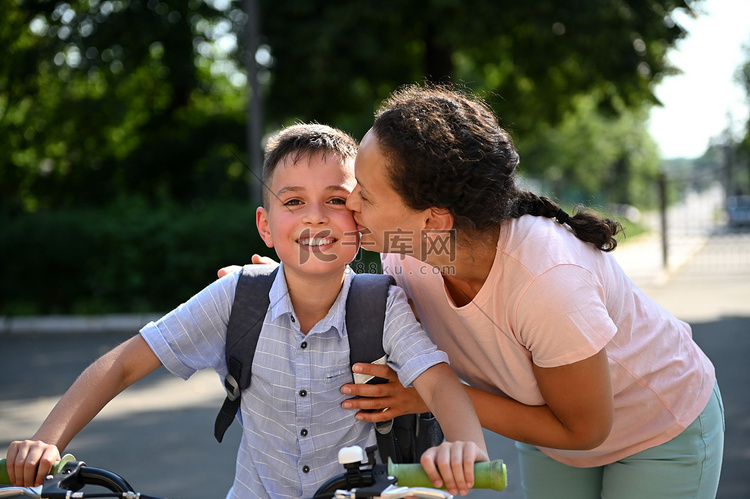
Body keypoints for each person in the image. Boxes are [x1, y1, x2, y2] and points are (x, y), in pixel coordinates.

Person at [234, 85, 724, 499]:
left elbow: (585, 428)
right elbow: (337, 262)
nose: (351, 204)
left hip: (657, 429)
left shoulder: (546, 280)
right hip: (546, 425)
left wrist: (416, 398)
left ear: (434, 219)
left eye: (365, 193)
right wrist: (272, 281)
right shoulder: (410, 248)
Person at [5, 123, 488, 499]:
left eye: (336, 200)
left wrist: (467, 444)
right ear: (265, 225)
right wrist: (48, 440)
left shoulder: (381, 304)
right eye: (293, 200)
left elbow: (439, 383)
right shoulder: (237, 296)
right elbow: (124, 364)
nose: (314, 215)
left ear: (359, 223)